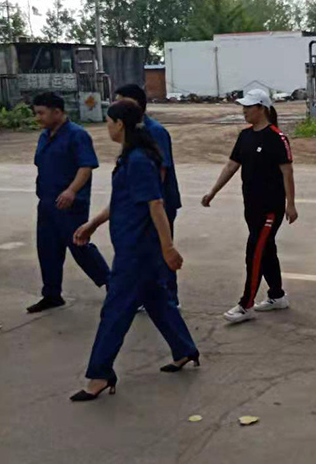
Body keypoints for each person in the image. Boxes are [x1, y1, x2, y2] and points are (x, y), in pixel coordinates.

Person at [70, 100, 199, 402]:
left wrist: (168, 247)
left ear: (120, 124)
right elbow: (121, 202)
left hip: (138, 250)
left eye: (108, 121)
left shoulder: (139, 159)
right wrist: (92, 225)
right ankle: (184, 349)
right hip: (133, 245)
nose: (107, 127)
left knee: (115, 309)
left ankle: (100, 374)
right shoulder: (129, 157)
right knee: (156, 299)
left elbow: (156, 204)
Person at [201, 89, 298, 324]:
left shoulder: (277, 138)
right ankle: (277, 295)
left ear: (262, 108)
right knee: (267, 250)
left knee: (254, 252)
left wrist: (291, 204)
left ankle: (246, 305)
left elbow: (287, 173)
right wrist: (213, 191)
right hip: (251, 207)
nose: (244, 111)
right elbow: (231, 166)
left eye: (248, 107)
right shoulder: (245, 136)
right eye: (243, 107)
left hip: (270, 209)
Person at [27, 92, 110, 314]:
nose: (38, 118)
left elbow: (86, 166)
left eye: (41, 113)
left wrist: (72, 191)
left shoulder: (77, 135)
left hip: (70, 205)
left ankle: (112, 284)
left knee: (80, 246)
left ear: (57, 112)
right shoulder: (45, 135)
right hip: (47, 203)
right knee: (47, 249)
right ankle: (51, 294)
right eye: (36, 113)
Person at [114, 84, 182, 309]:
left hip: (158, 202)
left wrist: (152, 203)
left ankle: (169, 299)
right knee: (146, 253)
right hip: (144, 203)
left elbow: (160, 172)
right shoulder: (133, 132)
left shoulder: (155, 131)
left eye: (121, 101)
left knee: (162, 249)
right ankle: (150, 297)